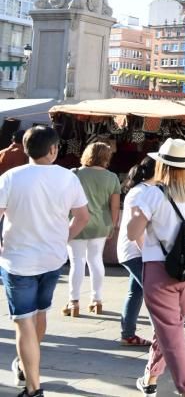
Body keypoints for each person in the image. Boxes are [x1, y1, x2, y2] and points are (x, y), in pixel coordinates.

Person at [0, 126, 89, 397]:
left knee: (23, 321)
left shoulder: (11, 177)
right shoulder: (68, 177)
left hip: (18, 259)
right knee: (40, 314)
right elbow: (83, 217)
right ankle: (28, 369)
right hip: (53, 258)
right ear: (53, 150)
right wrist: (64, 237)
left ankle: (33, 386)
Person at [127, 139, 185, 397]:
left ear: (162, 164)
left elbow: (132, 233)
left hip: (159, 270)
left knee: (171, 334)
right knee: (171, 329)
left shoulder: (152, 194)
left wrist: (138, 216)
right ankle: (150, 377)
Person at [65, 142, 120, 318]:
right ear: (107, 157)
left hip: (77, 222)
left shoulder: (75, 174)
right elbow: (115, 206)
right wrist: (112, 225)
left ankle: (73, 302)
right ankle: (96, 300)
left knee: (77, 262)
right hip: (101, 224)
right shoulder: (112, 178)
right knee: (96, 260)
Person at [117, 157, 155, 347]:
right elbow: (137, 230)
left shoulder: (141, 190)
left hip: (135, 250)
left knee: (136, 291)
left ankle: (128, 333)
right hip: (136, 251)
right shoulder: (143, 192)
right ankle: (163, 333)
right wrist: (147, 252)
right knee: (153, 293)